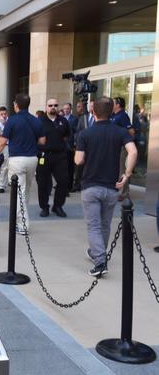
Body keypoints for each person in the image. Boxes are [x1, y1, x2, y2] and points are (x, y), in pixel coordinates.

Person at [75, 96, 137, 276]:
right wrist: (127, 174)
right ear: (112, 112)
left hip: (90, 186)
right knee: (105, 224)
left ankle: (100, 261)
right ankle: (97, 253)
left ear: (93, 112)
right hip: (111, 186)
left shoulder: (85, 134)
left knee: (94, 226)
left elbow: (78, 160)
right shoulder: (119, 132)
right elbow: (132, 151)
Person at [0, 93, 46, 235]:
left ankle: (22, 225)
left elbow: (3, 141)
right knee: (25, 190)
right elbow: (42, 141)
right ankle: (21, 220)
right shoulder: (36, 121)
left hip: (17, 159)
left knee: (19, 193)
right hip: (32, 159)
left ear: (16, 105)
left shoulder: (12, 121)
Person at [36, 98, 70, 218]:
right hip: (44, 156)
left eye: (55, 105)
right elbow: (35, 138)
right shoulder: (39, 121)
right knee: (43, 183)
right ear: (46, 107)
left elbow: (66, 136)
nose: (53, 107)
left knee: (63, 181)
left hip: (60, 155)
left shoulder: (63, 121)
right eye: (50, 105)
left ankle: (58, 206)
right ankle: (44, 207)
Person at [112, 97, 134, 200]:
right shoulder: (114, 116)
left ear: (118, 105)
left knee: (122, 170)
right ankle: (118, 190)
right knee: (116, 169)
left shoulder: (123, 116)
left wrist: (125, 143)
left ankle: (124, 194)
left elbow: (131, 131)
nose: (111, 104)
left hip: (122, 148)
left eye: (113, 103)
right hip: (114, 147)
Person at [62, 103, 78, 193]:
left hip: (70, 146)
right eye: (64, 109)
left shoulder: (74, 119)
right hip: (62, 146)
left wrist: (74, 144)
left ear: (70, 109)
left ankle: (69, 186)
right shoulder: (61, 119)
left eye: (67, 109)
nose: (66, 110)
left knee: (70, 167)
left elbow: (76, 132)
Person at [0, 106, 9, 193]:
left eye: (5, 114)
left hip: (7, 146)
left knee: (5, 165)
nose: (4, 115)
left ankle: (2, 185)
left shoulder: (10, 122)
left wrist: (5, 125)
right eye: (2, 114)